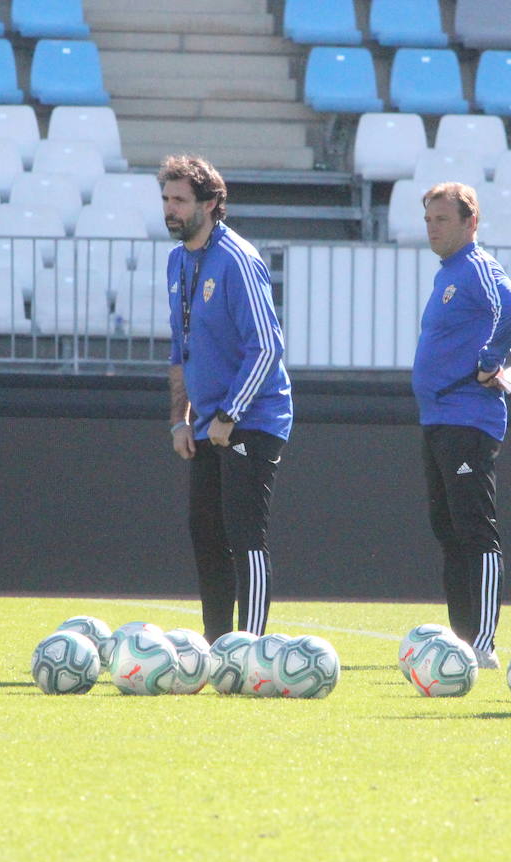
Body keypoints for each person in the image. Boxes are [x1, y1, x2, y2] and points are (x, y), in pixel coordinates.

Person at [161, 155, 293, 643]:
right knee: (206, 533)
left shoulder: (237, 259)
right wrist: (181, 419)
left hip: (253, 416)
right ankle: (217, 646)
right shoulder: (177, 261)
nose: (170, 209)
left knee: (244, 533)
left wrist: (229, 414)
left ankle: (252, 647)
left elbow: (267, 345)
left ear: (212, 203)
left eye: (179, 200)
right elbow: (181, 347)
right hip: (206, 423)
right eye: (166, 199)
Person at [411, 182, 511, 668]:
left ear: (470, 222)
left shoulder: (477, 266)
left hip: (467, 415)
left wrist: (490, 357)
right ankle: (462, 640)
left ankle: (482, 643)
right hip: (438, 417)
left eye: (442, 219)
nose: (433, 228)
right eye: (429, 220)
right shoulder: (448, 274)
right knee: (449, 530)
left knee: (475, 530)